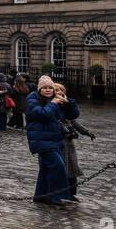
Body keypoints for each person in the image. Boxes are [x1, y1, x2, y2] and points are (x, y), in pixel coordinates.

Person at [25, 76, 79, 205]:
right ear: (39, 89)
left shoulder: (54, 100)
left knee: (46, 168)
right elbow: (42, 114)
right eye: (44, 88)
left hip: (55, 140)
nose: (48, 90)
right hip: (40, 140)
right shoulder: (33, 99)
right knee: (58, 166)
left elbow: (72, 115)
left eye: (50, 87)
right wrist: (53, 104)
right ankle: (54, 196)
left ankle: (40, 195)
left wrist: (68, 103)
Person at [56, 83, 93, 201]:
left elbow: (73, 121)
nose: (59, 93)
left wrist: (86, 132)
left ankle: (71, 193)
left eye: (61, 91)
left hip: (69, 141)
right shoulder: (52, 106)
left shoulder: (66, 106)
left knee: (72, 168)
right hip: (58, 141)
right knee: (61, 168)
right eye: (56, 90)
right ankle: (60, 192)